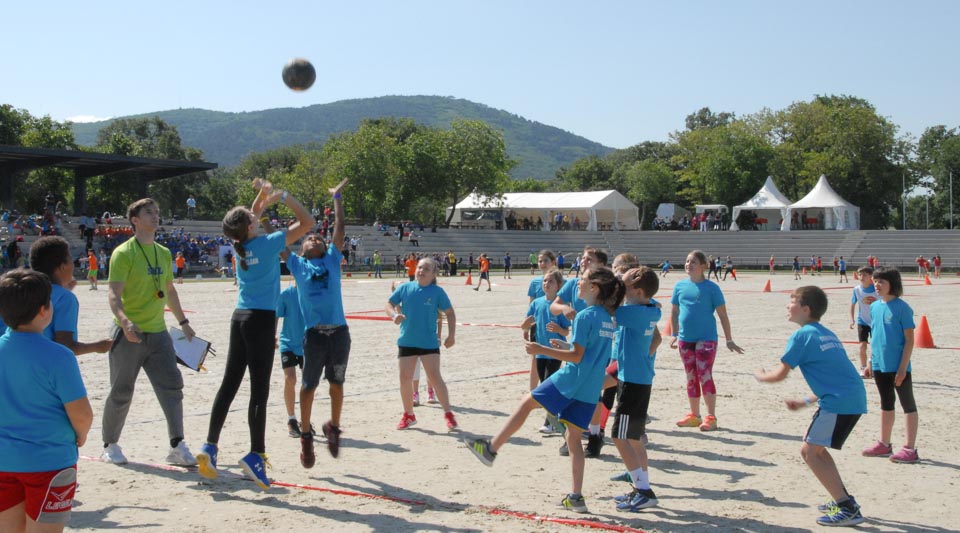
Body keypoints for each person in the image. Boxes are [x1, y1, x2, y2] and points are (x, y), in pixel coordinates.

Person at [466, 267, 624, 514]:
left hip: (570, 379)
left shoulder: (584, 316)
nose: (577, 283)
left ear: (594, 288)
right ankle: (576, 497)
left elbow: (577, 356)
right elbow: (590, 353)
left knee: (526, 402)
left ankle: (491, 448)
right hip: (590, 387)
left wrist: (542, 349)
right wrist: (564, 345)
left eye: (582, 280)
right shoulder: (606, 318)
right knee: (573, 440)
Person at [196, 182, 314, 489]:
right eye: (253, 217)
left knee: (229, 385)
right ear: (249, 226)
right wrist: (284, 196)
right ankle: (256, 455)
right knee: (259, 392)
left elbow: (251, 213)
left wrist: (262, 195)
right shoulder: (268, 243)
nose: (256, 215)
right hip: (261, 320)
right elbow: (308, 222)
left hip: (239, 318)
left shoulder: (243, 245)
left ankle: (210, 446)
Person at [754, 286, 867, 527]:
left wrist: (760, 376)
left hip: (839, 402)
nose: (788, 305)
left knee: (809, 453)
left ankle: (847, 508)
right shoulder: (826, 334)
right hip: (851, 398)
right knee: (818, 451)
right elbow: (834, 376)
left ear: (805, 309)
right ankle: (843, 499)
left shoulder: (802, 335)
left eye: (792, 301)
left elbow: (780, 374)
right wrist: (804, 401)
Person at [100, 198, 198, 467]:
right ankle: (110, 445)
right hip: (129, 333)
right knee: (121, 390)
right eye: (149, 212)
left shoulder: (163, 252)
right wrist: (125, 322)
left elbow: (169, 290)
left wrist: (183, 322)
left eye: (157, 211)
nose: (155, 216)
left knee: (172, 387)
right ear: (135, 220)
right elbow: (113, 293)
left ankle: (177, 445)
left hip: (158, 333)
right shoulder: (123, 253)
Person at [0, 269, 93, 533]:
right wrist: (81, 435)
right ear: (44, 310)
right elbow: (81, 414)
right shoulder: (59, 357)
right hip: (50, 462)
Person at [283, 179, 351, 467]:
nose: (314, 239)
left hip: (339, 335)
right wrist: (262, 212)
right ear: (301, 248)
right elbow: (277, 241)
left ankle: (333, 427)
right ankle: (306, 435)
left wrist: (337, 198)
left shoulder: (332, 260)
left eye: (318, 239)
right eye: (308, 238)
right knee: (308, 385)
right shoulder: (298, 265)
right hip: (314, 337)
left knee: (336, 383)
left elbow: (340, 228)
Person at [670, 250, 744, 431]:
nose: (689, 264)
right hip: (685, 339)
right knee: (691, 376)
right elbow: (674, 311)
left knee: (704, 374)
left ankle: (711, 417)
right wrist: (674, 334)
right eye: (687, 261)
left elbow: (722, 315)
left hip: (707, 339)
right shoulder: (679, 286)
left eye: (693, 262)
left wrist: (729, 339)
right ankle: (694, 416)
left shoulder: (712, 288)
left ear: (703, 266)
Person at [610, 267, 662, 512]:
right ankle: (640, 486)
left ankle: (644, 491)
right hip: (636, 378)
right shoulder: (650, 308)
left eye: (625, 284)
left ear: (638, 291)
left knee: (619, 437)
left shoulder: (633, 312)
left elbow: (608, 308)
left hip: (632, 381)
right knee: (634, 438)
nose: (621, 285)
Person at [386, 258, 458, 431]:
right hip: (407, 340)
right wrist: (394, 316)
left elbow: (450, 313)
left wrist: (451, 336)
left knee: (435, 377)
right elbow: (389, 304)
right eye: (419, 267)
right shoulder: (405, 288)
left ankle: (448, 413)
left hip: (428, 342)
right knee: (405, 379)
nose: (421, 271)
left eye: (426, 269)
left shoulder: (437, 292)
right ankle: (408, 414)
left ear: (433, 274)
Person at [861, 267, 920, 464]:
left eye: (882, 282)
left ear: (892, 284)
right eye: (875, 281)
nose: (877, 285)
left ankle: (910, 448)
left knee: (908, 405)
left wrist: (903, 367)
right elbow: (875, 336)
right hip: (880, 365)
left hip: (898, 366)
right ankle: (884, 444)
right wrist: (870, 361)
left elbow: (909, 340)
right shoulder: (875, 307)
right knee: (886, 403)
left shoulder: (902, 308)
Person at [29, 237, 111, 356]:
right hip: (47, 362)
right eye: (70, 260)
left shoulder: (25, 290)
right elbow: (65, 345)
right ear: (62, 267)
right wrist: (98, 346)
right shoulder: (65, 298)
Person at [520, 268, 570, 433]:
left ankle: (550, 423)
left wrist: (558, 329)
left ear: (558, 285)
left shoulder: (560, 306)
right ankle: (558, 416)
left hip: (556, 351)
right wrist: (526, 324)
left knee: (548, 384)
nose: (546, 283)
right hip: (540, 351)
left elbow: (566, 331)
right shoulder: (536, 303)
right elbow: (525, 324)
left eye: (551, 281)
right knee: (544, 383)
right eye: (545, 281)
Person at [277, 281, 306, 437]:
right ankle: (291, 419)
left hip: (307, 344)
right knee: (290, 378)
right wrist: (272, 336)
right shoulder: (286, 294)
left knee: (307, 383)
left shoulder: (311, 292)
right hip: (287, 342)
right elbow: (276, 315)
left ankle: (305, 419)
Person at [849, 266, 876, 378]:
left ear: (871, 277)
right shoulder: (856, 290)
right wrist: (852, 319)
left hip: (876, 322)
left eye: (864, 275)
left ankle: (873, 366)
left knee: (875, 346)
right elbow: (852, 304)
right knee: (862, 346)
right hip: (862, 321)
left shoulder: (877, 289)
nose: (861, 277)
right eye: (860, 274)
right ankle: (863, 368)